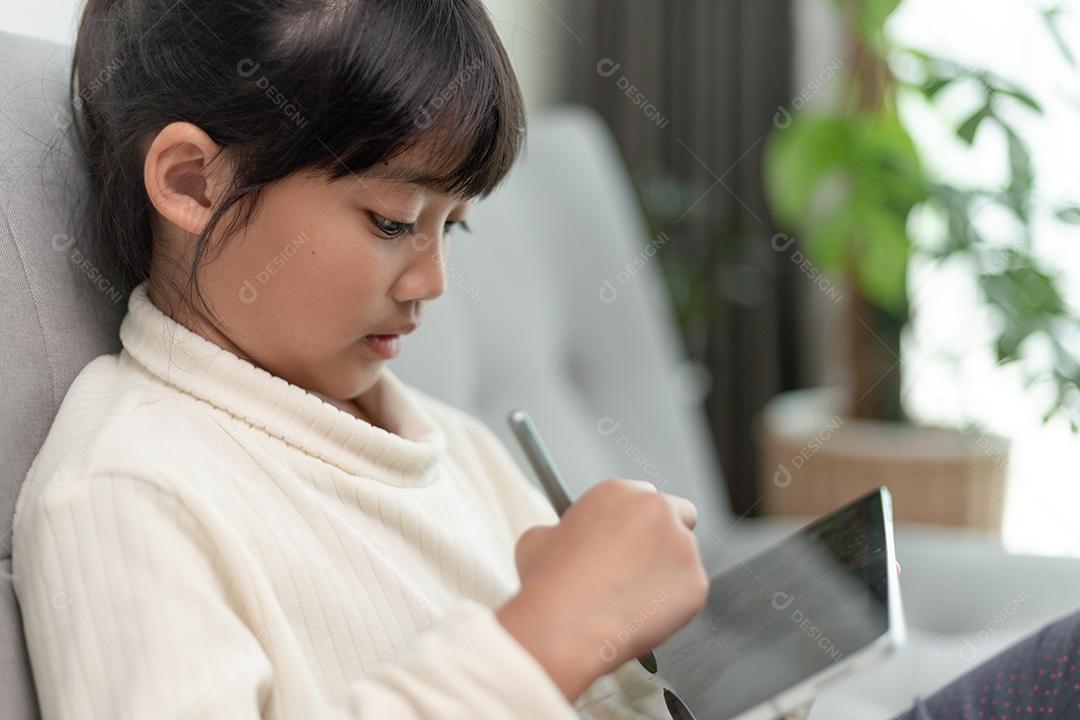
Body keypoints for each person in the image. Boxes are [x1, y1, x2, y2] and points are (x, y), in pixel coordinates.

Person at [10, 1, 706, 718]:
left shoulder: (465, 452)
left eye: (452, 228)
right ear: (193, 181)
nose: (433, 282)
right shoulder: (128, 491)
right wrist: (545, 640)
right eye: (392, 221)